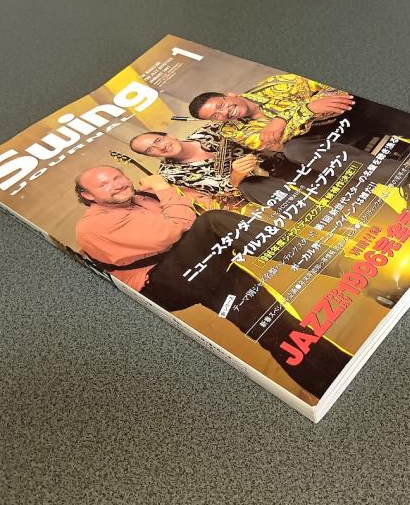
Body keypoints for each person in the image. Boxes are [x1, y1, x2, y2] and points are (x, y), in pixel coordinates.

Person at [74, 165, 352, 398]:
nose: (117, 184)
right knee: (214, 221)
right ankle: (337, 263)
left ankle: (336, 378)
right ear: (88, 196)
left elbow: (187, 220)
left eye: (117, 177)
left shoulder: (141, 199)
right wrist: (162, 188)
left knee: (271, 322)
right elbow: (175, 231)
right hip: (162, 283)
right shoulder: (93, 226)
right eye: (103, 184)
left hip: (199, 265)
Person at [128, 125, 308, 207]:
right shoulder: (170, 173)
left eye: (158, 140)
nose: (160, 147)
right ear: (151, 156)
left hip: (283, 160)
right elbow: (222, 189)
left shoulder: (209, 130)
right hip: (261, 188)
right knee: (248, 185)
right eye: (151, 149)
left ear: (169, 135)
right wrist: (237, 174)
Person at [188, 73, 355, 152]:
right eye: (215, 116)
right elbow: (273, 142)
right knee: (293, 149)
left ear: (230, 94)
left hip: (342, 113)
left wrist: (281, 120)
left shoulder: (274, 84)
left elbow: (328, 83)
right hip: (316, 142)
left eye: (221, 105)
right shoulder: (231, 130)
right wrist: (308, 108)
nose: (225, 112)